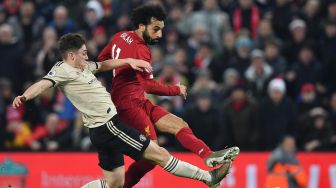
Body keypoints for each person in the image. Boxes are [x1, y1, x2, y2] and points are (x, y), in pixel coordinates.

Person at [12, 33, 232, 188]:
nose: (87, 57)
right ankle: (208, 178)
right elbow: (42, 84)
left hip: (100, 131)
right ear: (71, 56)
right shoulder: (61, 71)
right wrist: (24, 96)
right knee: (160, 155)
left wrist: (130, 60)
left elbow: (104, 65)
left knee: (115, 184)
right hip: (109, 127)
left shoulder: (83, 67)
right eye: (84, 53)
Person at [98, 4, 239, 187]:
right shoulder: (142, 50)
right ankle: (123, 186)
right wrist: (176, 90)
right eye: (155, 29)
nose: (160, 35)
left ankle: (208, 155)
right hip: (129, 105)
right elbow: (147, 85)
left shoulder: (119, 36)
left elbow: (101, 60)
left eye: (161, 29)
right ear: (141, 26)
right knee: (152, 155)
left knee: (179, 125)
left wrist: (120, 69)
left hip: (137, 100)